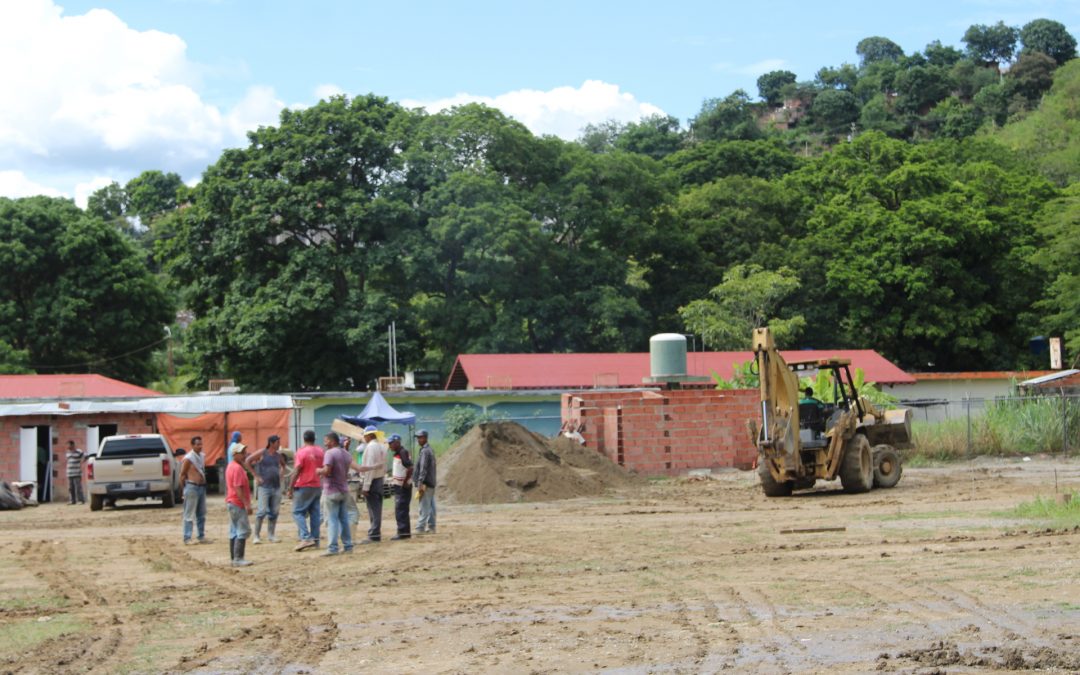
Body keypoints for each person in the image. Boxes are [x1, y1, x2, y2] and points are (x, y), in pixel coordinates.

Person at [317, 432, 363, 556]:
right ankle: (348, 546)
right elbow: (346, 471)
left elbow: (327, 471)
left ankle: (332, 548)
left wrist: (319, 471)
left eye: (326, 440)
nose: (324, 443)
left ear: (332, 441)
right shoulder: (346, 454)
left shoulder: (330, 453)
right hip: (344, 491)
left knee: (331, 520)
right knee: (343, 519)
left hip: (331, 491)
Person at [246, 435, 287, 544]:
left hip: (276, 487)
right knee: (261, 512)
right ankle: (256, 536)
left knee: (274, 512)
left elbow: (283, 465)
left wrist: (282, 473)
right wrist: (255, 475)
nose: (279, 444)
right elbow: (248, 461)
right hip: (264, 487)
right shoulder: (262, 453)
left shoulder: (278, 456)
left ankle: (271, 535)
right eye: (277, 442)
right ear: (271, 443)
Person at [290, 430, 324, 551]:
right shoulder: (320, 451)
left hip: (304, 485)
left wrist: (290, 487)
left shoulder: (302, 452)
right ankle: (315, 540)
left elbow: (297, 469)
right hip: (317, 485)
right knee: (315, 514)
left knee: (297, 512)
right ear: (314, 438)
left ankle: (305, 537)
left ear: (304, 439)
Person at [356, 425, 388, 544]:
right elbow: (384, 466)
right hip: (379, 479)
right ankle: (375, 532)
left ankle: (374, 534)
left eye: (365, 436)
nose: (364, 438)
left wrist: (365, 486)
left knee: (373, 509)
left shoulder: (371, 447)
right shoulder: (382, 446)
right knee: (377, 508)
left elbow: (369, 469)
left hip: (372, 480)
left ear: (369, 435)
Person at [225, 442, 254, 567]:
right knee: (243, 530)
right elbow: (238, 488)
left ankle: (234, 557)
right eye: (242, 453)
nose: (245, 455)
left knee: (234, 530)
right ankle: (238, 558)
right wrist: (246, 504)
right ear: (235, 455)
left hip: (232, 502)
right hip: (237, 503)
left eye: (245, 452)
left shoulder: (232, 466)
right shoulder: (236, 468)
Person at [179, 436, 210, 544]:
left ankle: (201, 536)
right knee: (189, 514)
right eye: (197, 444)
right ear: (192, 445)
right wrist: (184, 490)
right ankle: (187, 537)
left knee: (201, 514)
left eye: (201, 444)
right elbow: (182, 475)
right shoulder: (188, 458)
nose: (200, 446)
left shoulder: (201, 456)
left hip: (201, 487)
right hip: (192, 487)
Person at [387, 434, 413, 540]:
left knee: (400, 510)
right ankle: (405, 532)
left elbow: (410, 467)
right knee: (402, 509)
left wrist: (406, 481)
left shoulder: (403, 452)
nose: (390, 446)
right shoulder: (399, 453)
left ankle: (402, 532)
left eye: (391, 443)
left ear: (397, 442)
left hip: (403, 487)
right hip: (399, 485)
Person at [413, 429, 437, 535]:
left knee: (424, 506)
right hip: (430, 482)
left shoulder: (425, 451)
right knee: (431, 505)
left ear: (425, 438)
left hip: (426, 483)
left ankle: (420, 527)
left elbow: (423, 468)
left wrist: (420, 482)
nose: (418, 440)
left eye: (420, 437)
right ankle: (431, 527)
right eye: (418, 438)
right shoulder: (429, 449)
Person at [65, 441, 86, 505]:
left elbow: (85, 456)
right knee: (70, 488)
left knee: (78, 487)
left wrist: (82, 462)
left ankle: (80, 500)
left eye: (68, 445)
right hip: (69, 473)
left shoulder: (78, 451)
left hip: (77, 472)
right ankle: (72, 501)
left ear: (72, 445)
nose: (67, 446)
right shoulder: (67, 453)